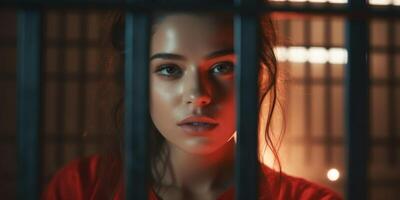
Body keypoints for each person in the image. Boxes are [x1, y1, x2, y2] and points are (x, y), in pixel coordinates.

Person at [43, 3, 342, 200]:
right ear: (137, 80)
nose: (199, 94)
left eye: (222, 67)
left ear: (258, 77)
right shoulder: (82, 188)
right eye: (170, 69)